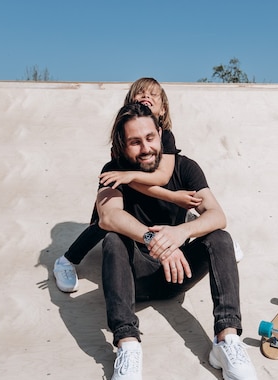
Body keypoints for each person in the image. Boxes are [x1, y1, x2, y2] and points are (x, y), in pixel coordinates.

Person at [96, 102, 258, 380]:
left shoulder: (185, 168)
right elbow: (108, 216)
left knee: (220, 237)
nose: (145, 148)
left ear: (160, 134)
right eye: (134, 142)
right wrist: (155, 241)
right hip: (132, 278)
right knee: (113, 239)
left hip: (176, 275)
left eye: (149, 138)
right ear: (123, 145)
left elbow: (217, 215)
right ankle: (127, 344)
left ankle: (226, 340)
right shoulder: (113, 171)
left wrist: (181, 233)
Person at [53, 78, 202, 293]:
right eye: (140, 94)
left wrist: (174, 198)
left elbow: (161, 177)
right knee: (105, 222)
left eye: (153, 95)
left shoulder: (166, 136)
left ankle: (206, 238)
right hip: (126, 195)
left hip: (154, 191)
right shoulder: (123, 135)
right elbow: (122, 181)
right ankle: (67, 260)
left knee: (182, 211)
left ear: (163, 109)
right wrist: (127, 178)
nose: (146, 97)